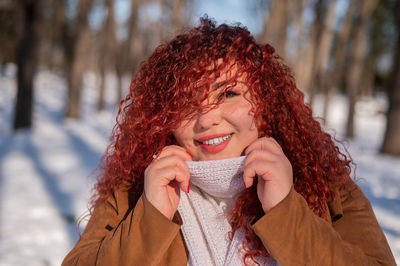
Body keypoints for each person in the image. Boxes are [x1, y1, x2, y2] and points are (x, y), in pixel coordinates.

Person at [62, 18, 396, 266]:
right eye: (185, 103)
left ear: (265, 99)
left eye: (229, 93)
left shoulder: (326, 186)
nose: (206, 118)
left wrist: (287, 212)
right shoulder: (135, 189)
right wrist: (150, 217)